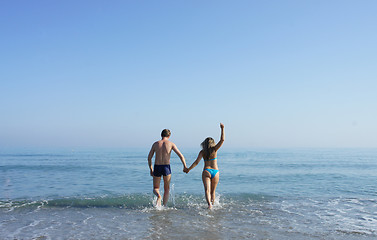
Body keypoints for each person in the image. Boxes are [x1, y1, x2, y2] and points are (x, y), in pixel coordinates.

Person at [184, 123, 225, 209]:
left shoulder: (202, 152)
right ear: (212, 143)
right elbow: (222, 140)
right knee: (213, 191)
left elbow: (196, 162)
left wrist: (188, 169)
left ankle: (209, 205)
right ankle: (212, 205)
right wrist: (222, 128)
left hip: (206, 171)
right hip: (216, 172)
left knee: (207, 190)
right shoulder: (215, 149)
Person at [148, 129, 188, 207]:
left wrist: (151, 168)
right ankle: (164, 206)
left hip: (157, 167)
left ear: (161, 135)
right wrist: (185, 166)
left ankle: (159, 196)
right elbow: (181, 156)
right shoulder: (171, 144)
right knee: (167, 189)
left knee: (156, 188)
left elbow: (149, 158)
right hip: (166, 167)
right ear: (169, 136)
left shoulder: (156, 144)